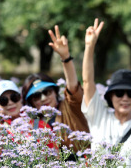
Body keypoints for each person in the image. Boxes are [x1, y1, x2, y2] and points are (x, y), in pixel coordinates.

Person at [81, 18, 131, 168]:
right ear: (110, 97)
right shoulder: (99, 118)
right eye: (119, 93)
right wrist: (90, 47)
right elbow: (87, 82)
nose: (125, 98)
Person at [20, 25, 90, 153]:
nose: (43, 98)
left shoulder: (70, 107)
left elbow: (73, 87)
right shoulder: (31, 125)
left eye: (47, 92)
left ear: (55, 92)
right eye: (36, 96)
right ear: (31, 102)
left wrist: (65, 58)